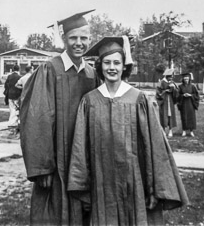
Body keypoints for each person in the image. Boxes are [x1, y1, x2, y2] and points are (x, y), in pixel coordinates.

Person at [68, 36, 189, 225]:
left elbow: (154, 145)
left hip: (134, 180)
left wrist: (153, 186)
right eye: (107, 62)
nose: (112, 68)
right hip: (101, 182)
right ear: (100, 66)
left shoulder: (139, 100)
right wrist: (82, 185)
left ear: (124, 66)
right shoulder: (90, 101)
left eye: (117, 62)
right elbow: (80, 147)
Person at [19, 10, 98, 225]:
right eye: (73, 38)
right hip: (57, 160)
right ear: (64, 39)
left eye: (83, 38)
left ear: (90, 40)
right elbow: (37, 119)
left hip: (83, 159)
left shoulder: (92, 74)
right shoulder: (49, 69)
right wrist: (42, 167)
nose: (78, 43)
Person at [156, 69, 178, 137]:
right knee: (163, 115)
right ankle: (163, 130)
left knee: (170, 115)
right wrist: (165, 91)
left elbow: (177, 93)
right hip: (164, 101)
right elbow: (158, 93)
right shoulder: (161, 82)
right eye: (169, 76)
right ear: (166, 76)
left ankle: (170, 131)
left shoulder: (172, 83)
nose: (171, 78)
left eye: (172, 76)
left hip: (170, 101)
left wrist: (174, 89)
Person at [177, 72, 200, 137]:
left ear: (189, 79)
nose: (186, 80)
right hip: (183, 103)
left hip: (191, 103)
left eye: (187, 79)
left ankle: (191, 131)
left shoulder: (193, 86)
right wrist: (183, 95)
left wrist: (190, 95)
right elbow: (177, 95)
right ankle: (184, 130)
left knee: (191, 117)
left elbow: (196, 95)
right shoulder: (180, 86)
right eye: (185, 79)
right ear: (183, 79)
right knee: (184, 117)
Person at [4, 64, 22, 134]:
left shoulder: (9, 76)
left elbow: (6, 85)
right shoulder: (19, 77)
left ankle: (11, 121)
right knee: (16, 108)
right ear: (19, 69)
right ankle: (13, 122)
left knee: (11, 108)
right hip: (17, 94)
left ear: (13, 69)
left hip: (10, 94)